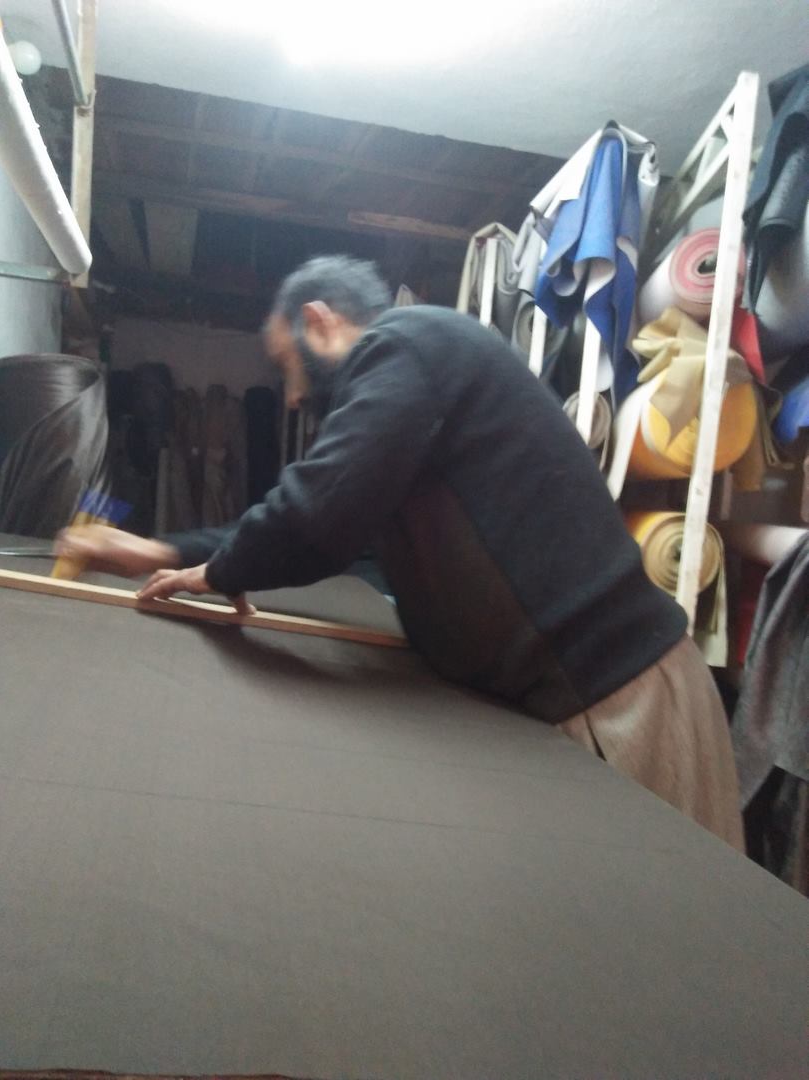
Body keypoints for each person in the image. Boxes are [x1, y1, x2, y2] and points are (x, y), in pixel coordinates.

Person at [59, 255, 744, 848]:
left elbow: (318, 512)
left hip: (623, 703)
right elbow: (321, 516)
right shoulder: (417, 379)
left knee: (679, 936)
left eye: (287, 366)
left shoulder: (407, 343)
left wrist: (217, 569)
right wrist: (157, 551)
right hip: (581, 698)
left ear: (320, 321)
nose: (291, 396)